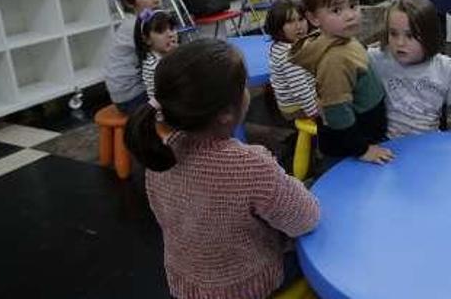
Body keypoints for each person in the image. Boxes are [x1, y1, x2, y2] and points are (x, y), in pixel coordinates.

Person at [126, 39, 319, 299]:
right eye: (244, 86)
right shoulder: (249, 165)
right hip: (245, 286)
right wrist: (297, 187)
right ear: (227, 113)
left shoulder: (160, 155)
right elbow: (304, 219)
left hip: (187, 283)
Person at [369, 0, 451, 158]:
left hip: (429, 147)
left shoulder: (444, 68)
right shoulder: (378, 59)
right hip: (389, 148)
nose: (399, 43)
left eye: (410, 36)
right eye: (393, 34)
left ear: (429, 36)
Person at [290, 0, 393, 165]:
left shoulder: (343, 39)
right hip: (351, 150)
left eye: (353, 6)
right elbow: (337, 111)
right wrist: (362, 150)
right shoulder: (335, 59)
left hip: (362, 140)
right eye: (336, 10)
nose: (350, 16)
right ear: (313, 18)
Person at [105, 0, 161, 114]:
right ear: (130, 3)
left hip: (129, 93)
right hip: (132, 98)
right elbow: (164, 55)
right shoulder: (137, 25)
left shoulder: (142, 20)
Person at [265, 0, 319, 120]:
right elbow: (301, 89)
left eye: (301, 19)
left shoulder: (293, 43)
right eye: (290, 22)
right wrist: (316, 114)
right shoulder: (289, 54)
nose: (298, 26)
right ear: (278, 26)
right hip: (298, 107)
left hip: (303, 99)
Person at [133, 9, 179, 101]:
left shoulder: (164, 54)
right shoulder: (153, 65)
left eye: (172, 28)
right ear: (147, 40)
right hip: (166, 110)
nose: (170, 34)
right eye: (161, 31)